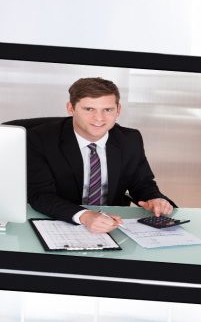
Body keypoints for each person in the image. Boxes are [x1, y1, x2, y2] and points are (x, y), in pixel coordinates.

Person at [20, 76, 175, 233]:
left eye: (107, 110)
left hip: (112, 225)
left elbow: (142, 183)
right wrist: (85, 216)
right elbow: (40, 195)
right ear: (71, 108)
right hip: (59, 222)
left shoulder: (129, 139)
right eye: (89, 109)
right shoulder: (40, 139)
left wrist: (155, 199)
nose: (99, 118)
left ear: (118, 110)